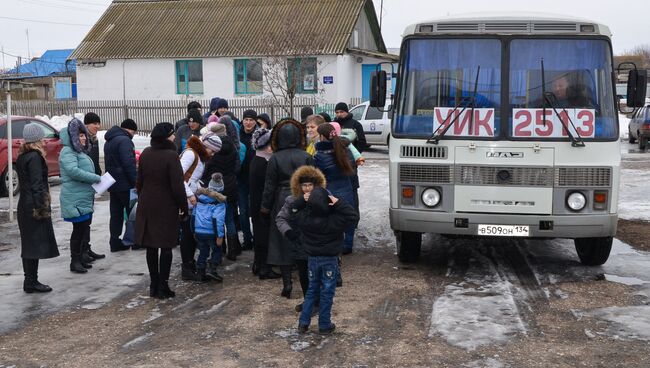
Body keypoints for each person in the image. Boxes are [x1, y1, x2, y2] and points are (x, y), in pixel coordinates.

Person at [260, 118, 313, 298]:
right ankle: (305, 282)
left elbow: (269, 185)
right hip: (302, 196)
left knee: (281, 239)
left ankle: (287, 284)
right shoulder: (306, 156)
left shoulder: (275, 158)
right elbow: (313, 181)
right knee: (302, 236)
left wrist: (265, 207)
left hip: (281, 199)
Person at [296, 187, 359, 335]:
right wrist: (338, 202)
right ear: (328, 202)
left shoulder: (305, 219)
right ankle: (324, 324)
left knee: (311, 290)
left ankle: (303, 322)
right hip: (330, 259)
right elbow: (353, 216)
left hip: (312, 259)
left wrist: (301, 200)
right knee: (327, 292)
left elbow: (293, 210)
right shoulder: (335, 219)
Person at [135, 122, 188, 299]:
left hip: (146, 204)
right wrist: (183, 207)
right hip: (166, 206)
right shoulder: (171, 156)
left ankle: (153, 284)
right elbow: (177, 186)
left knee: (151, 246)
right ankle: (163, 286)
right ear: (166, 137)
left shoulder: (146, 153)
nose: (174, 137)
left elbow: (139, 181)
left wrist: (144, 197)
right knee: (166, 246)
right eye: (172, 134)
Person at [276, 165, 327, 312]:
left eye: (310, 185)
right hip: (299, 244)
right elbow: (281, 219)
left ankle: (318, 302)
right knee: (304, 275)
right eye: (304, 185)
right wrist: (289, 232)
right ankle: (309, 301)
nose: (307, 189)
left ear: (316, 185)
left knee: (318, 275)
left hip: (318, 244)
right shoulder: (292, 200)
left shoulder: (324, 198)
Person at [17, 123, 59, 293]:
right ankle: (31, 281)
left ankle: (30, 280)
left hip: (24, 205)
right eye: (42, 138)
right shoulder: (34, 157)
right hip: (33, 205)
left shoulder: (22, 156)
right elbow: (36, 184)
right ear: (36, 139)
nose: (44, 141)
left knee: (28, 245)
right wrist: (41, 207)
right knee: (32, 245)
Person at [59, 118, 101, 274]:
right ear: (72, 137)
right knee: (78, 230)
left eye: (84, 136)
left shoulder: (78, 151)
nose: (83, 138)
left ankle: (81, 257)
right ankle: (74, 261)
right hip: (74, 198)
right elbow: (73, 171)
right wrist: (96, 178)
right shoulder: (67, 151)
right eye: (80, 136)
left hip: (82, 197)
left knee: (83, 229)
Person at [314, 123, 357, 254]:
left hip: (331, 192)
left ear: (322, 137)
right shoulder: (345, 149)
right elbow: (354, 166)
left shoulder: (319, 156)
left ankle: (335, 246)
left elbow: (318, 177)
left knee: (333, 221)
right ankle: (348, 244)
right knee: (348, 217)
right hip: (347, 189)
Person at [201, 122, 240, 260]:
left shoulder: (212, 148)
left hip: (214, 187)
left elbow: (206, 170)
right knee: (229, 219)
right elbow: (237, 167)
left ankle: (220, 249)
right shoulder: (233, 147)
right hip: (230, 186)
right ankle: (233, 251)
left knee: (216, 219)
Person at [249, 128, 280, 280]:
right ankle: (264, 268)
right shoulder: (264, 163)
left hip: (256, 203)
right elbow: (269, 186)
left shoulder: (257, 159)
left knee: (259, 234)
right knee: (264, 236)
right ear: (267, 145)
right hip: (262, 205)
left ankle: (258, 264)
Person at [179, 135, 211, 281]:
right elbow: (179, 176)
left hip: (190, 199)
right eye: (212, 150)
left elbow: (193, 179)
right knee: (187, 234)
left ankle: (190, 264)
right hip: (185, 201)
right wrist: (191, 195)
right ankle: (187, 267)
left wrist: (202, 191)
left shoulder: (198, 155)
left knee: (190, 233)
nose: (213, 154)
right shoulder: (191, 154)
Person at [104, 118, 138, 253]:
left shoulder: (109, 140)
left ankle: (114, 241)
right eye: (133, 132)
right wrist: (136, 182)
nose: (133, 135)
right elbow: (128, 164)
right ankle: (134, 240)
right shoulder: (125, 141)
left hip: (113, 183)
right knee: (133, 213)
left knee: (116, 214)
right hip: (126, 184)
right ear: (130, 130)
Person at [192, 173, 227, 282]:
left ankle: (200, 272)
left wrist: (193, 230)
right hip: (212, 232)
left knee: (203, 251)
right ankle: (212, 270)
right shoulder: (219, 203)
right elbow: (218, 220)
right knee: (217, 250)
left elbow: (193, 215)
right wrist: (220, 236)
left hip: (199, 231)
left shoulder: (200, 199)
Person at [82, 112, 105, 261]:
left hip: (93, 181)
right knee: (83, 220)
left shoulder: (94, 140)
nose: (97, 126)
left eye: (98, 123)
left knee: (88, 218)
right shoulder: (83, 140)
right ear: (86, 124)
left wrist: (99, 174)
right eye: (94, 123)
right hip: (84, 184)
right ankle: (81, 251)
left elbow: (94, 162)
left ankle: (86, 247)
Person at [238, 109, 258, 250]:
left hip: (256, 179)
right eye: (246, 119)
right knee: (243, 210)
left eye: (251, 120)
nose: (248, 122)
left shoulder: (260, 135)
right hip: (241, 178)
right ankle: (247, 238)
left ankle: (257, 237)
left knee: (256, 210)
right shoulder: (237, 135)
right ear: (243, 120)